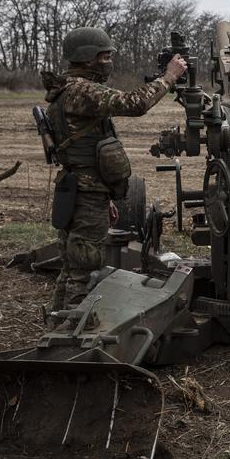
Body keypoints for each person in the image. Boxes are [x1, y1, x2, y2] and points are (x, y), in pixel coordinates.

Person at [42, 26, 187, 318]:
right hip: (85, 192)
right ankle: (73, 337)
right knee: (84, 268)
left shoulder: (65, 90)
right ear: (88, 58)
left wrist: (106, 196)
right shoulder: (81, 90)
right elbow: (134, 104)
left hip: (78, 188)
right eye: (105, 56)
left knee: (72, 266)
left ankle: (57, 326)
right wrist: (168, 78)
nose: (109, 62)